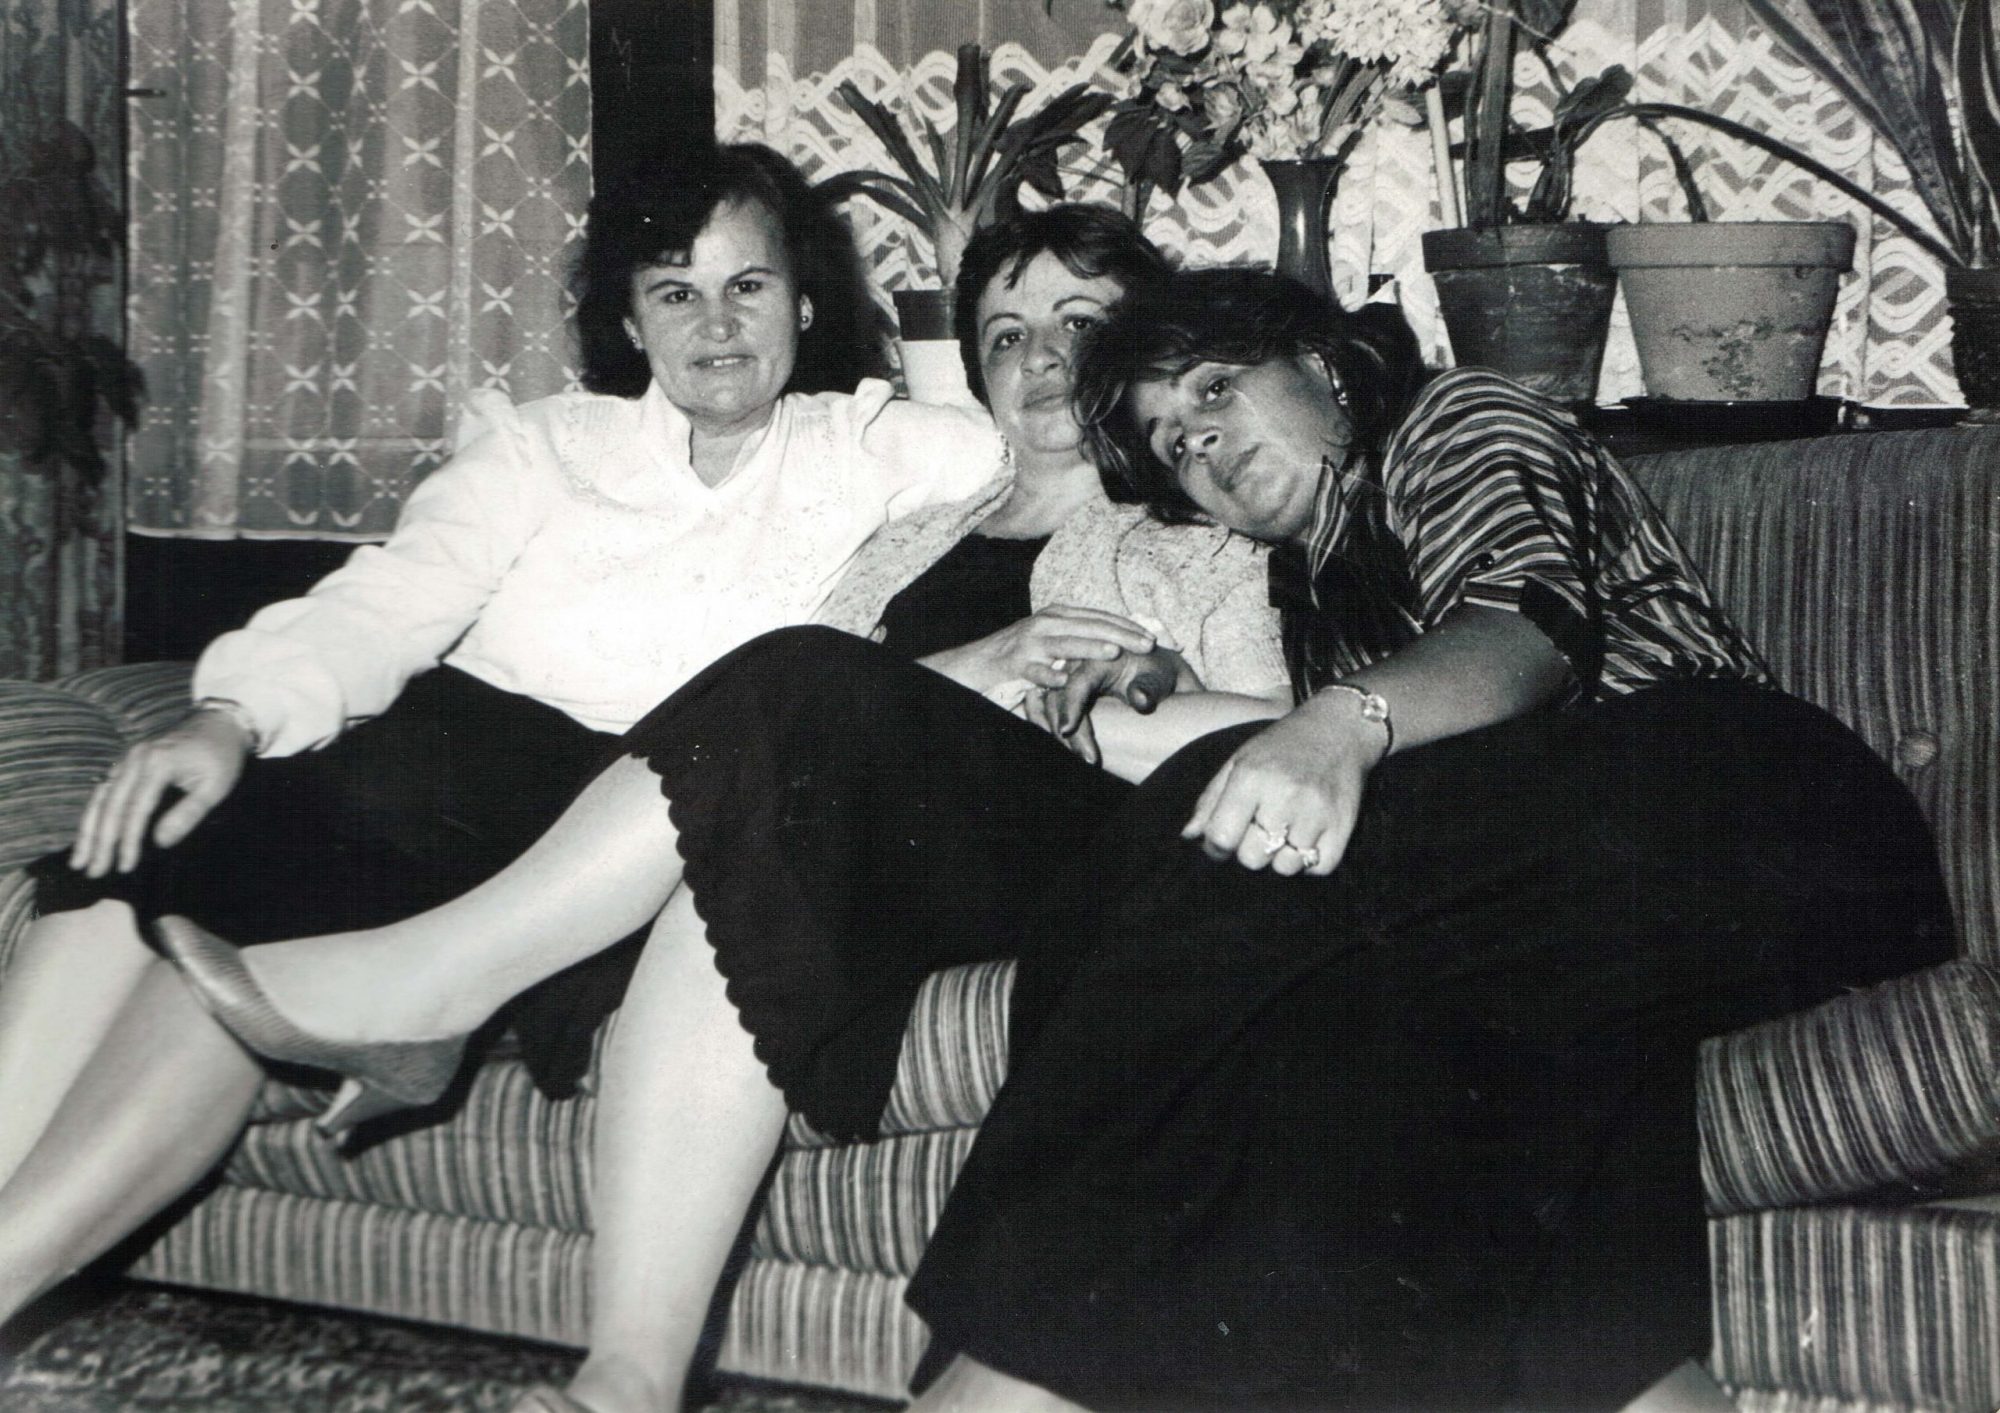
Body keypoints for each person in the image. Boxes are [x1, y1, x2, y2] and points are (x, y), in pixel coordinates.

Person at [134, 206, 1299, 1413]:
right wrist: (972, 669)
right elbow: (805, 719)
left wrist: (1092, 712)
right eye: (1004, 335)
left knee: (795, 683)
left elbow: (1268, 735)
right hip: (871, 857)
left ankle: (431, 982)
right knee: (736, 861)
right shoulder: (912, 532)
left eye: (1079, 323)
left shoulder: (1198, 532)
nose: (1040, 355)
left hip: (1062, 850)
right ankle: (626, 1383)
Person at [887, 267, 1960, 1412]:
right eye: (1174, 445)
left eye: (1214, 389)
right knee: (1379, 1056)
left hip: (1756, 804)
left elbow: (1526, 629)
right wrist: (1172, 680)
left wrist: (1334, 726)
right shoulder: (1313, 584)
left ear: (1320, 363)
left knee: (1195, 832)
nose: (1203, 445)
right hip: (1626, 917)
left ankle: (994, 1377)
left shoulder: (1453, 419)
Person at [0, 140, 1009, 1328]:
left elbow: (1043, 452)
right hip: (434, 769)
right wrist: (227, 720)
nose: (716, 324)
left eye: (747, 285)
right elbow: (392, 596)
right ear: (629, 322)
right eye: (673, 292)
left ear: (802, 301)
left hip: (622, 831)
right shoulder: (544, 443)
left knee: (257, 938)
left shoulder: (888, 452)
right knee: (146, 854)